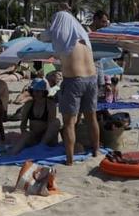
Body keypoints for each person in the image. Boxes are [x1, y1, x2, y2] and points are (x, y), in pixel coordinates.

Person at [46, 10, 99, 164]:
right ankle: (96, 151)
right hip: (91, 79)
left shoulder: (62, 38)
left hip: (74, 80)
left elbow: (47, 39)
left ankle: (69, 159)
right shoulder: (83, 37)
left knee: (69, 122)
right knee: (91, 118)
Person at [9, 78, 61, 154]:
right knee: (27, 134)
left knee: (56, 122)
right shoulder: (29, 104)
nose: (35, 93)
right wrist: (25, 135)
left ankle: (41, 146)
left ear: (44, 92)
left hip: (48, 137)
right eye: (34, 91)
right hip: (34, 137)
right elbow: (23, 124)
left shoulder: (50, 104)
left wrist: (45, 138)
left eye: (38, 91)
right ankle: (11, 154)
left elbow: (51, 125)